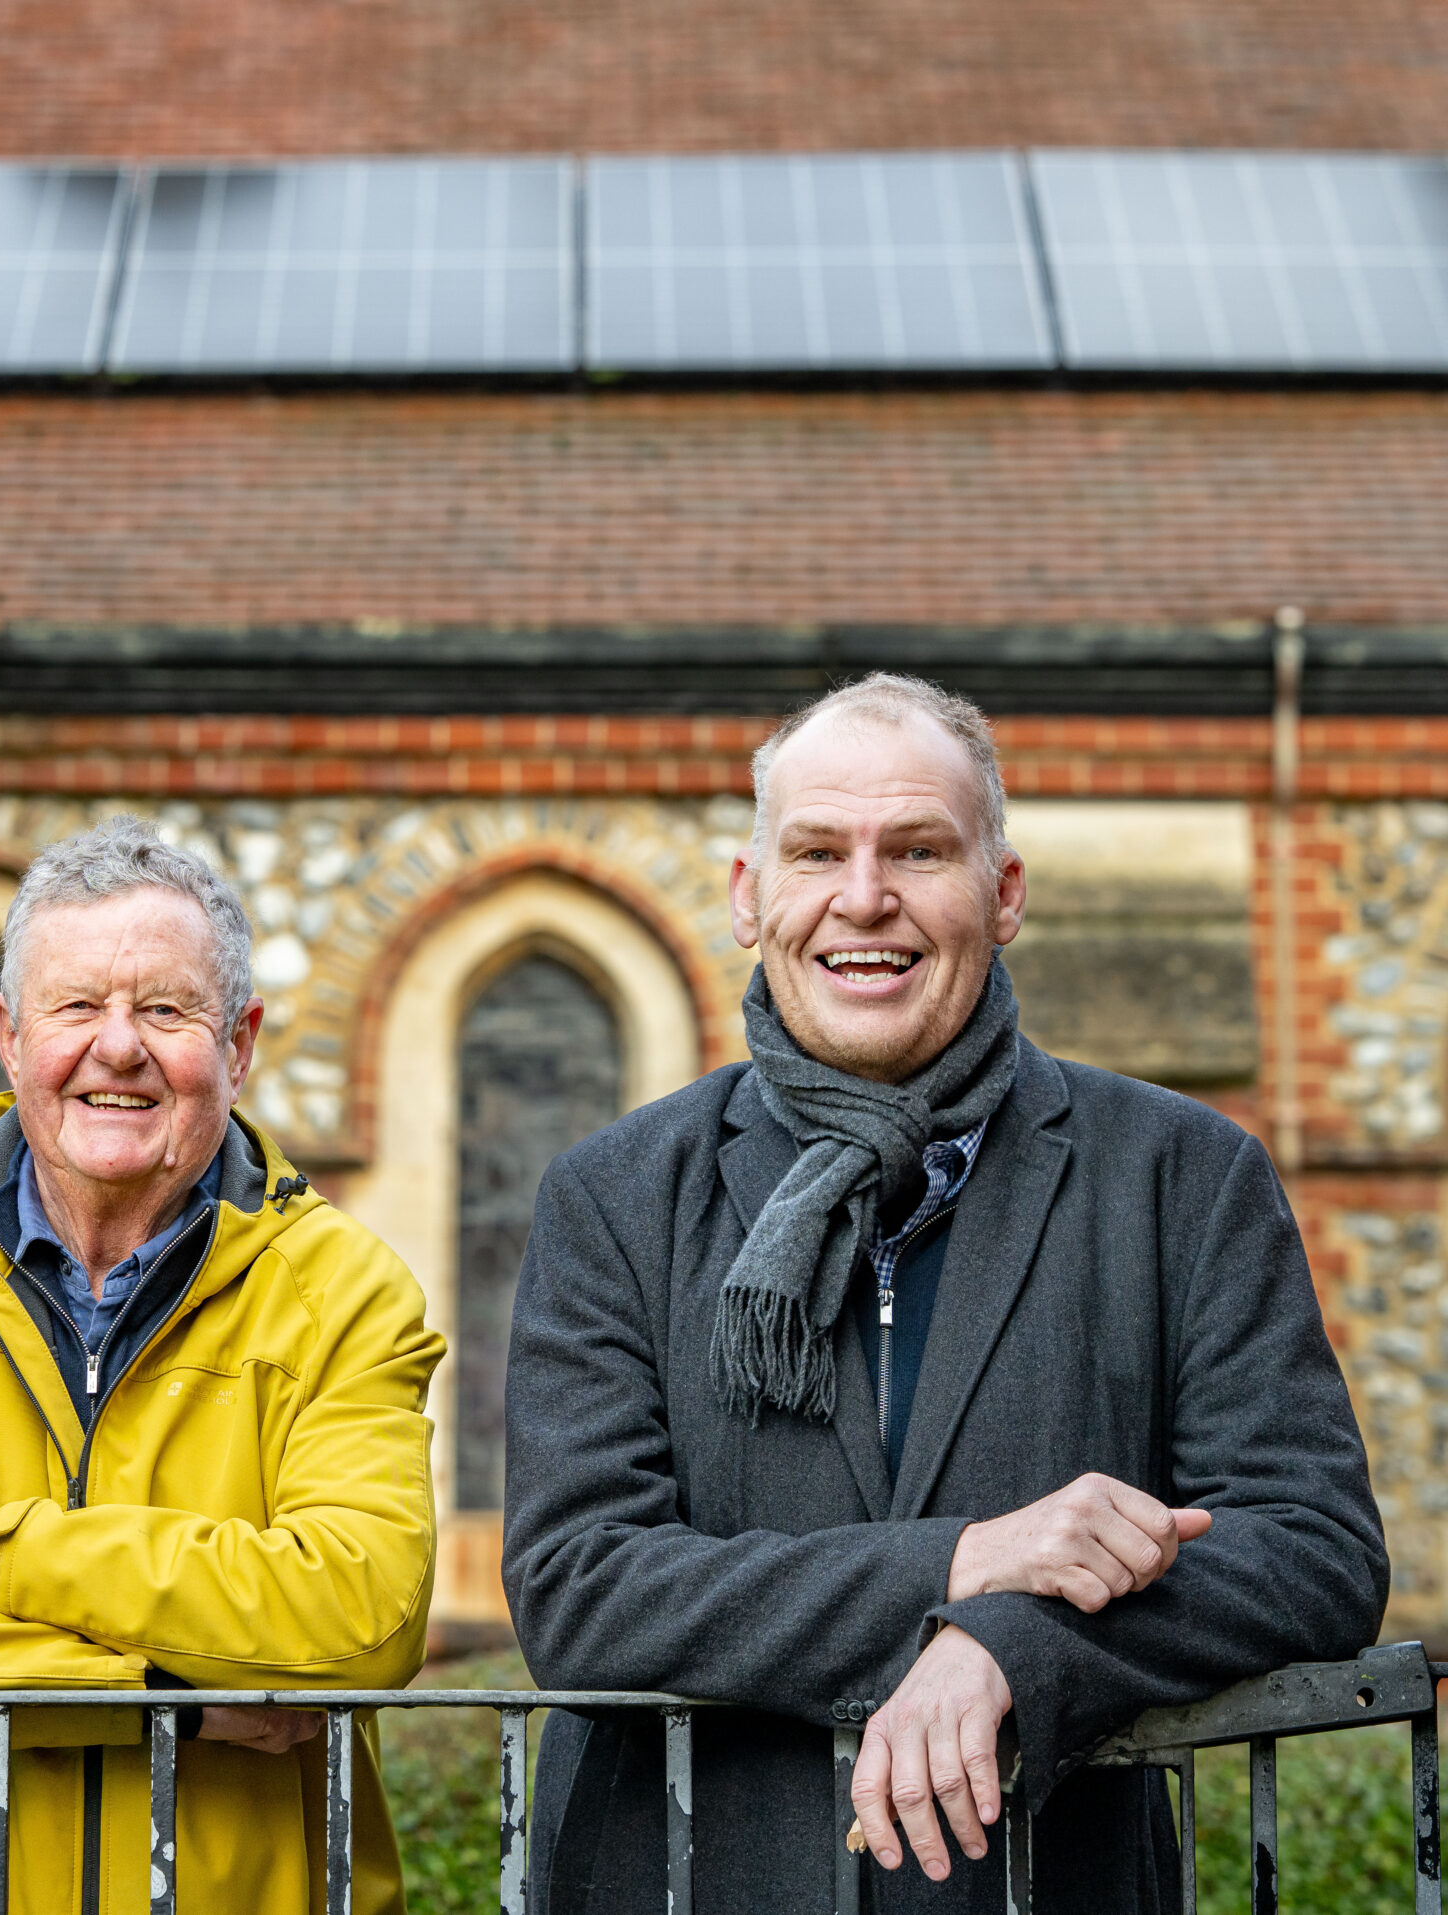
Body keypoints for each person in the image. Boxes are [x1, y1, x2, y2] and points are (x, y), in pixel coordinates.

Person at [502, 674, 1387, 1913]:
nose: (864, 898)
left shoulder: (1182, 1174)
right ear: (751, 897)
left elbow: (1314, 1548)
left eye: (918, 850)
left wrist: (1016, 1643)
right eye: (818, 851)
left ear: (1003, 891)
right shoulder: (613, 1193)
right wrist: (967, 1561)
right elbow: (580, 1584)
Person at [0, 815, 444, 1915]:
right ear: (9, 1036)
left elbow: (360, 1617)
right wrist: (167, 1697)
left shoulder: (344, 1291)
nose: (117, 1046)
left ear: (238, 1042)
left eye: (165, 1008)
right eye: (75, 1007)